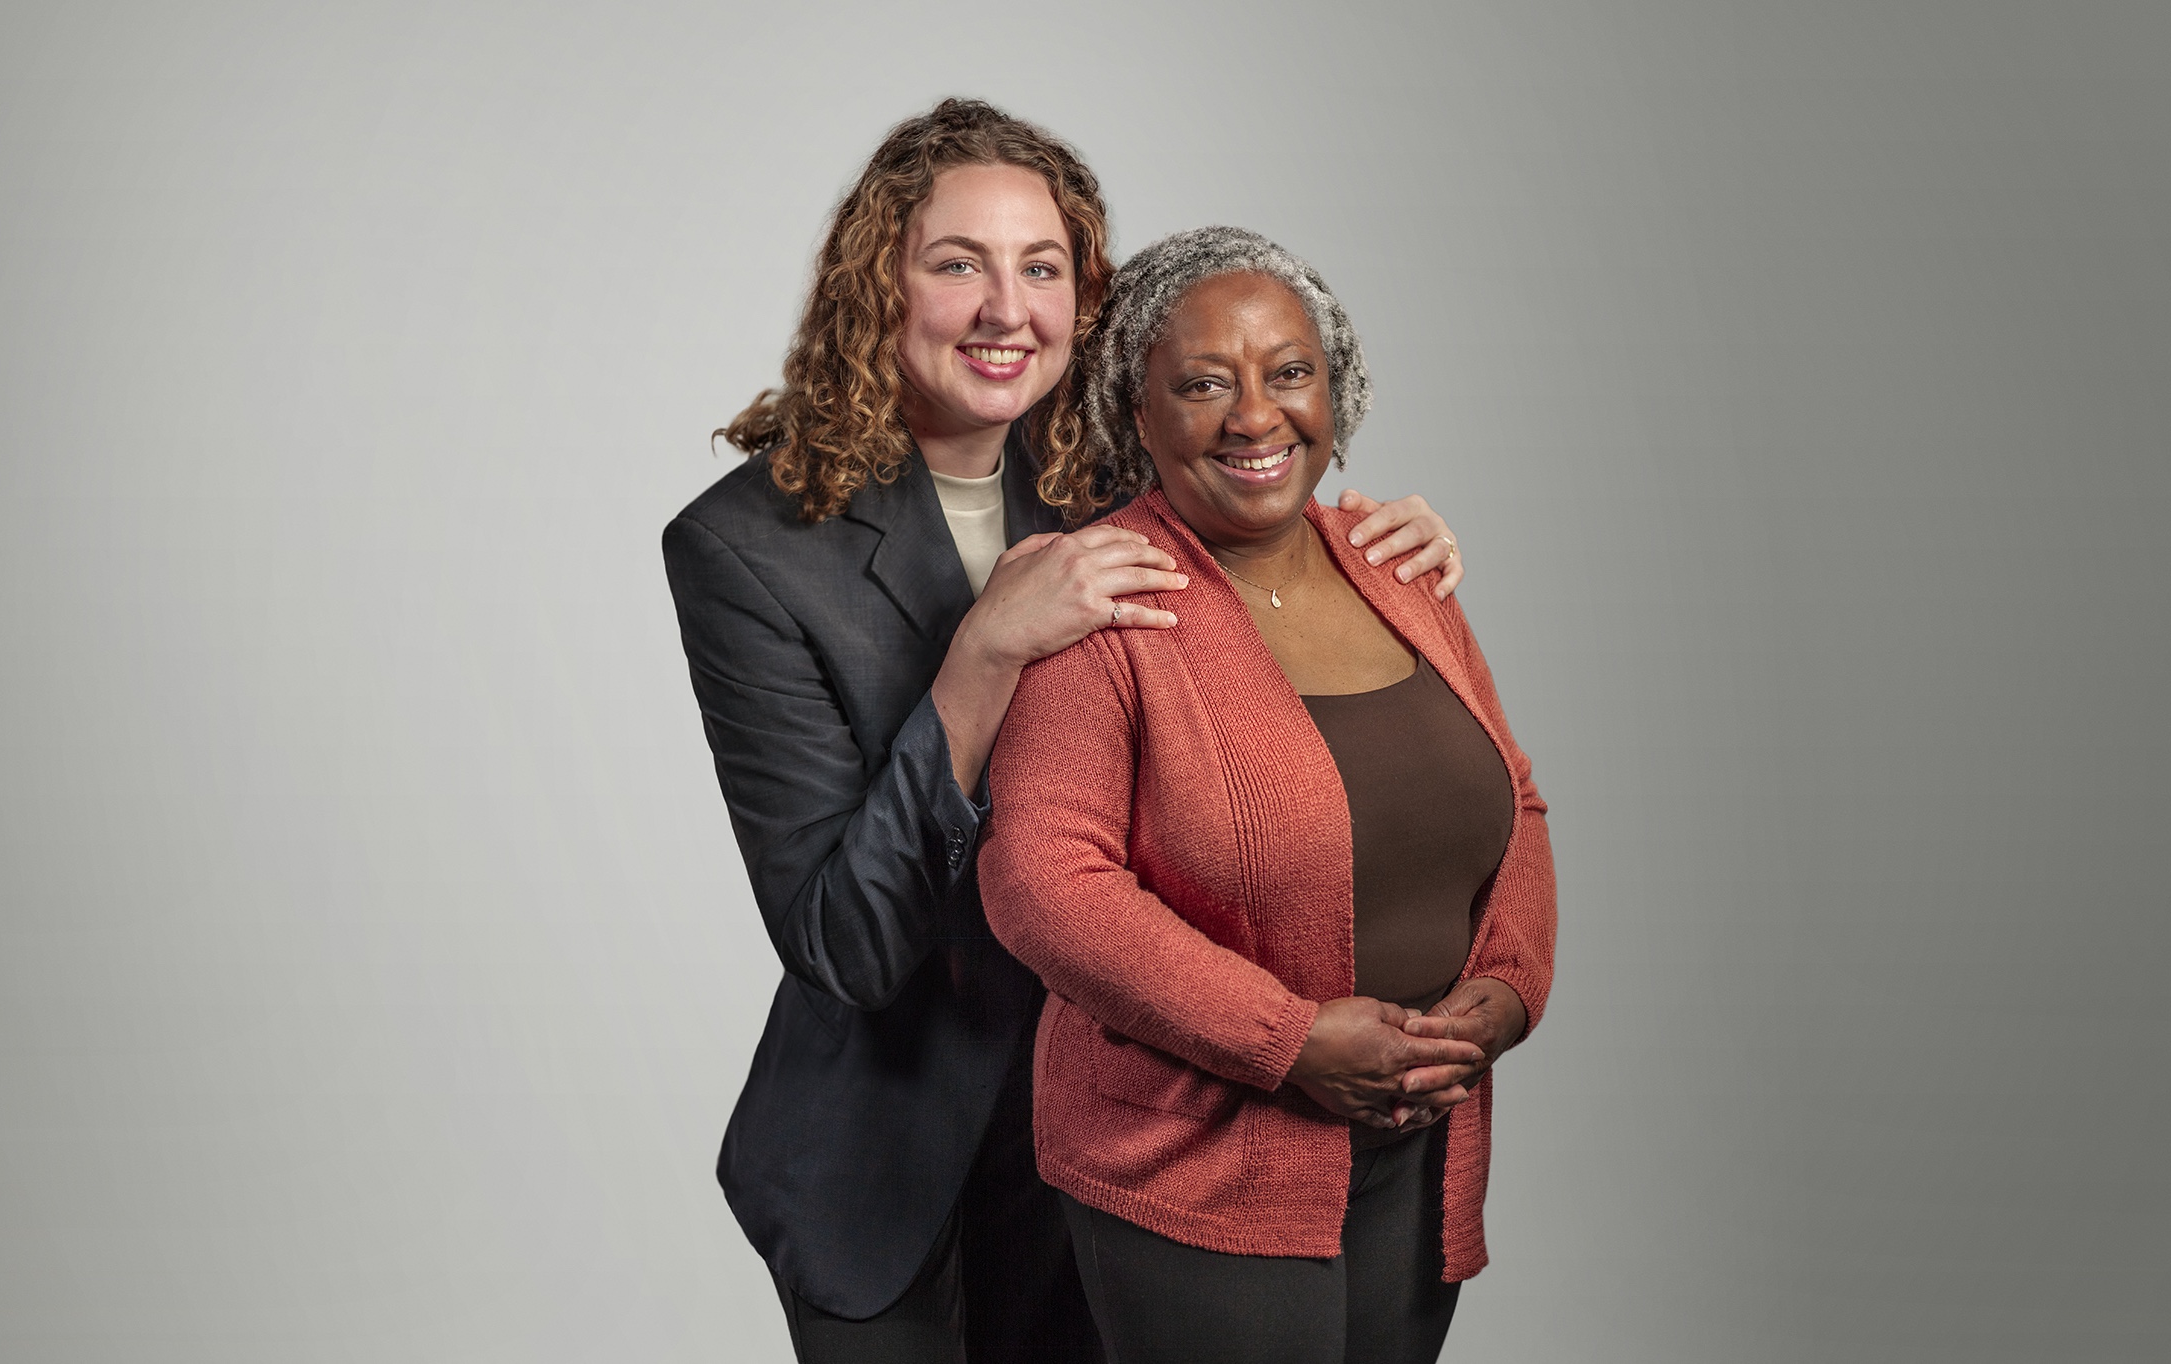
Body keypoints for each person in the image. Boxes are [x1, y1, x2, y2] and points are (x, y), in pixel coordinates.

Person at [662, 103, 1468, 1361]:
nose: (1006, 310)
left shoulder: (1119, 472)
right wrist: (981, 654)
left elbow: (1270, 567)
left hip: (1129, 1125)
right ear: (878, 284)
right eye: (957, 264)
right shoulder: (746, 549)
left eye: (1041, 268)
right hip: (889, 1163)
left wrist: (1369, 559)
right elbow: (844, 940)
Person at [978, 226, 1557, 1364]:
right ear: (1135, 412)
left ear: (1333, 392)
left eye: (1289, 372)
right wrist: (1289, 1040)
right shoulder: (1100, 595)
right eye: (1203, 384)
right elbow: (1044, 885)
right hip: (1197, 1162)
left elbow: (1515, 800)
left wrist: (1502, 994)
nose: (1256, 416)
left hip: (1418, 1140)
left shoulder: (1399, 570)